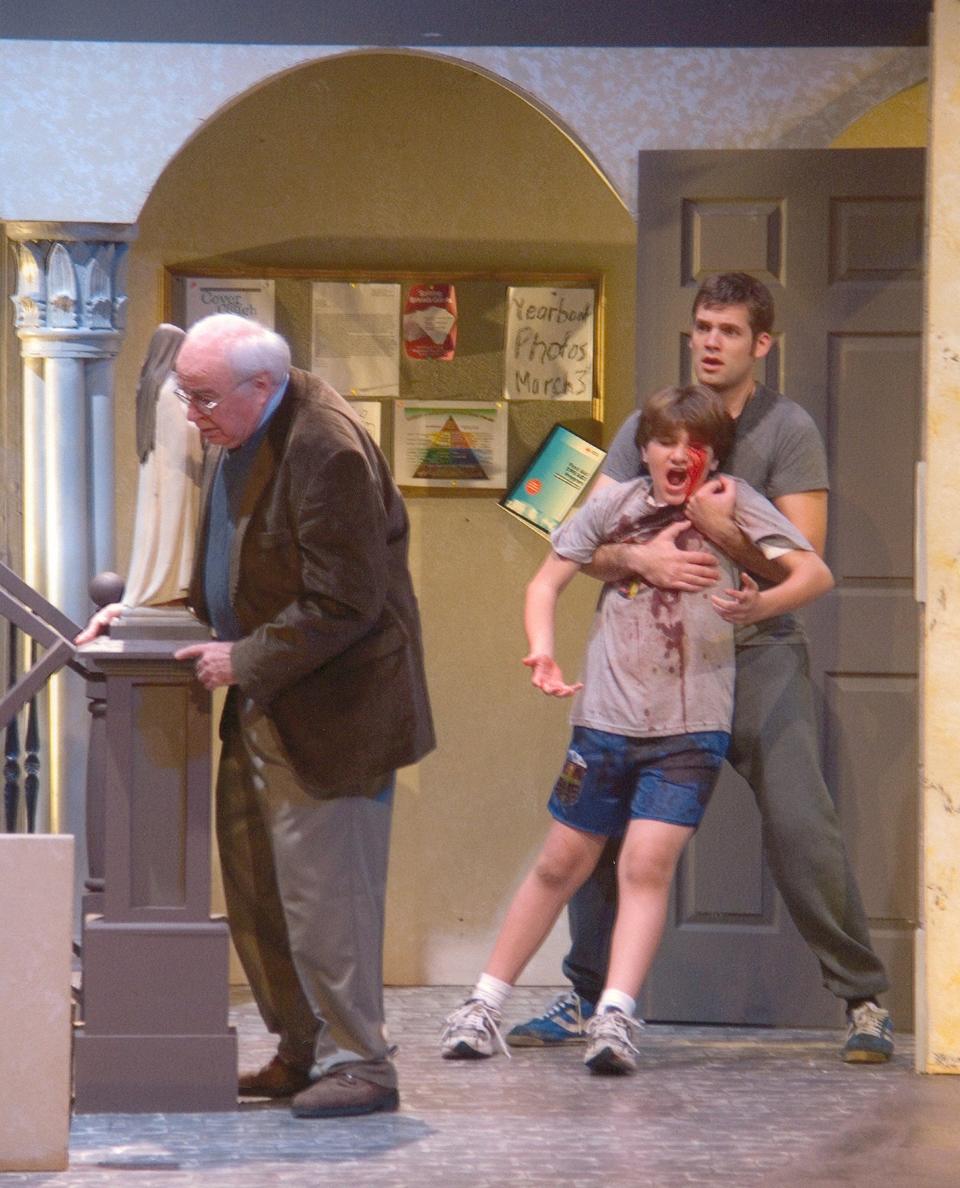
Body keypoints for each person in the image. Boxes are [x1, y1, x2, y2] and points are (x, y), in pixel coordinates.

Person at [507, 273, 894, 1064]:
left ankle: (863, 999)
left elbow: (802, 565)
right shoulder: (648, 426)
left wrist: (722, 531)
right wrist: (638, 554)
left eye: (728, 330)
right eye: (703, 327)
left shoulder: (786, 429)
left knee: (799, 824)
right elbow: (588, 547)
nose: (712, 341)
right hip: (650, 663)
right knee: (598, 825)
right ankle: (588, 995)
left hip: (753, 655)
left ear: (762, 344)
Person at [82, 313, 434, 1117]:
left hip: (331, 711)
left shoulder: (326, 450)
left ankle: (363, 1064)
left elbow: (347, 600)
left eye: (204, 399)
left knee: (326, 896)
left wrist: (242, 657)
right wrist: (139, 612)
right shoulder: (246, 434)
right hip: (268, 699)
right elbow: (234, 565)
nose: (194, 414)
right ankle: (302, 1049)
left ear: (262, 386)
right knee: (258, 885)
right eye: (186, 396)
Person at [441, 384, 832, 1075]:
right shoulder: (613, 506)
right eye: (665, 442)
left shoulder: (734, 503)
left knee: (644, 866)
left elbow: (815, 573)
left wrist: (759, 602)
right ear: (645, 449)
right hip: (606, 724)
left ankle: (614, 1015)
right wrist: (541, 647)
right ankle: (483, 1004)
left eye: (695, 445)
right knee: (561, 862)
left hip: (690, 728)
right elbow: (546, 583)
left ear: (714, 452)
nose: (680, 456)